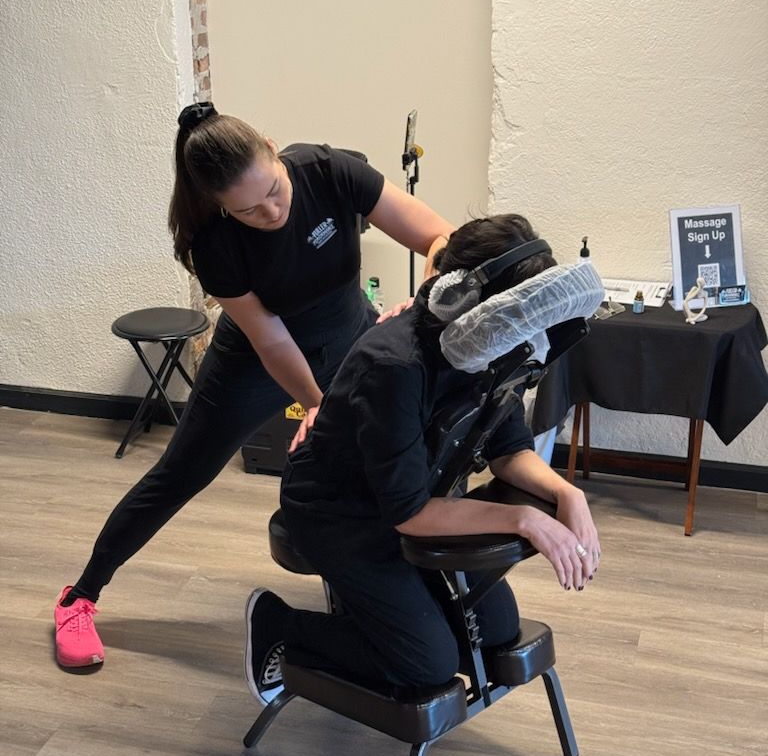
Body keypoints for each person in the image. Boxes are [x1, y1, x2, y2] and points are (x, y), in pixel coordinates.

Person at [54, 102, 454, 668]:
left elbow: (439, 236)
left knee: (397, 456)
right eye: (248, 209)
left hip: (351, 337)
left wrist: (428, 297)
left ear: (272, 147)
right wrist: (320, 405)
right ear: (219, 206)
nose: (271, 211)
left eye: (273, 190)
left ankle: (384, 595)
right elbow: (271, 342)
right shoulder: (213, 243)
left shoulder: (327, 169)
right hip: (255, 366)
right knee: (179, 475)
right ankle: (79, 598)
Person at [244, 214, 602, 703]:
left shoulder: (497, 343)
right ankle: (279, 623)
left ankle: (380, 612)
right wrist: (522, 519)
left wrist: (566, 492)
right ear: (460, 300)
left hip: (419, 496)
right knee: (427, 664)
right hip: (340, 512)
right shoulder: (395, 365)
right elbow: (409, 513)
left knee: (496, 630)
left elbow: (508, 450)